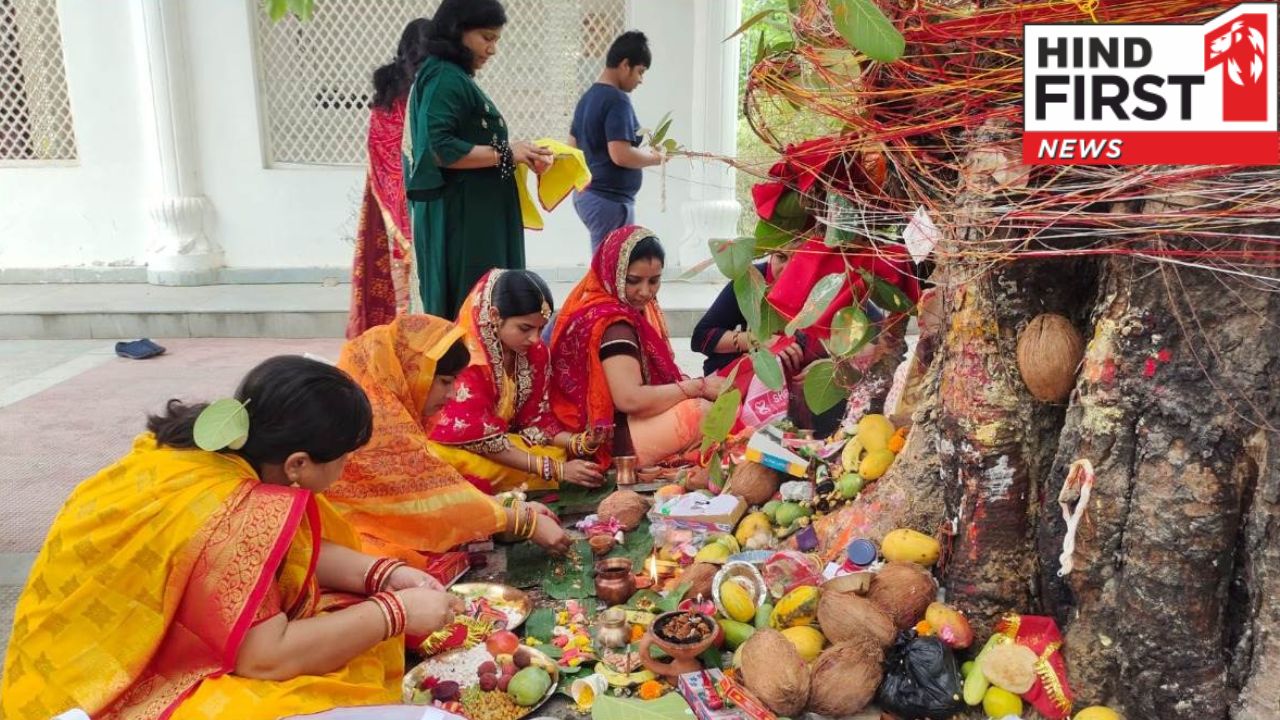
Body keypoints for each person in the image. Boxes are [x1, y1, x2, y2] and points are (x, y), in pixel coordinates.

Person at [1, 356, 462, 720]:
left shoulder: (209, 454)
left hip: (70, 656)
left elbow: (282, 551)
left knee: (350, 619)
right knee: (338, 684)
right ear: (299, 464)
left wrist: (384, 572)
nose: (345, 472)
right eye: (343, 458)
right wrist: (395, 612)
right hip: (111, 686)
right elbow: (264, 658)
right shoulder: (235, 507)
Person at [327, 315, 572, 571]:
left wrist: (507, 510)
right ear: (412, 372)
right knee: (408, 569)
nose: (453, 394)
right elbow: (426, 505)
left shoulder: (390, 406)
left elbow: (433, 493)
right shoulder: (377, 419)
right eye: (445, 381)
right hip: (346, 544)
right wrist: (521, 521)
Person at [404, 0, 554, 317]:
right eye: (487, 38)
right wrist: (507, 153)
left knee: (487, 306)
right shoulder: (445, 77)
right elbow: (440, 148)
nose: (492, 49)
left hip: (474, 217)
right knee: (473, 307)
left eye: (496, 39)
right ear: (458, 31)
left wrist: (519, 152)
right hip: (464, 224)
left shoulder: (452, 76)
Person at [550, 225, 724, 467]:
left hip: (620, 424)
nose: (645, 292)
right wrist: (699, 386)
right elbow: (630, 399)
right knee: (704, 412)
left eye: (654, 281)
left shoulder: (613, 309)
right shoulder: (613, 325)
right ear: (613, 273)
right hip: (606, 441)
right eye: (633, 281)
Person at [428, 270, 606, 493]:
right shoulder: (469, 355)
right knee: (451, 463)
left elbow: (534, 418)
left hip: (503, 441)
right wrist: (556, 470)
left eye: (541, 328)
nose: (535, 338)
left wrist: (578, 442)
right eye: (525, 328)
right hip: (460, 447)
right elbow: (478, 438)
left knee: (553, 453)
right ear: (494, 315)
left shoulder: (535, 352)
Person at [346, 18, 430, 338]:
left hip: (397, 205)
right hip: (409, 207)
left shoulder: (389, 94)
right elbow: (392, 152)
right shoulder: (412, 94)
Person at [569, 31, 664, 252]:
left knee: (606, 264)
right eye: (640, 71)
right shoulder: (617, 100)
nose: (641, 80)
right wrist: (655, 158)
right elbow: (620, 154)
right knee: (610, 270)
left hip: (588, 197)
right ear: (625, 65)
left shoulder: (587, 98)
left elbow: (571, 147)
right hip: (608, 200)